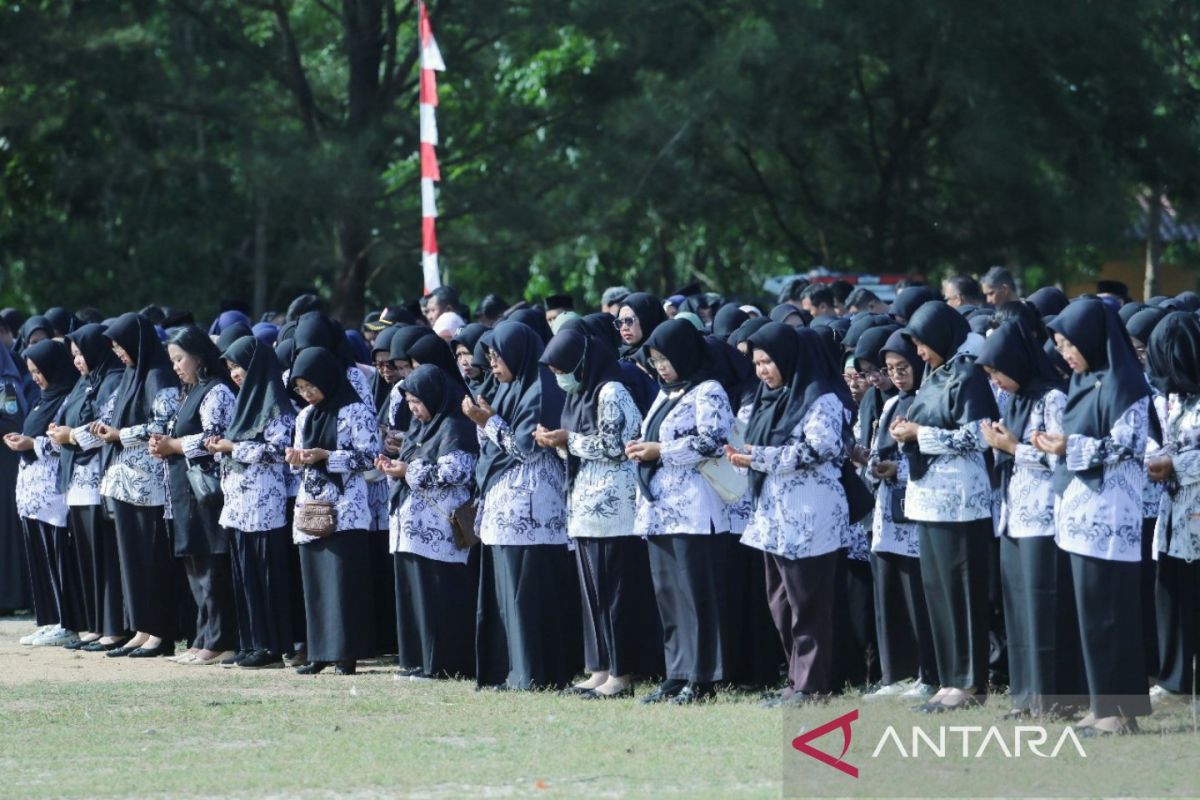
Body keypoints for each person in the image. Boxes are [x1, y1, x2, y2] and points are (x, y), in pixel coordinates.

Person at [1041, 298, 1153, 735]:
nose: (1065, 352)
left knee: (1111, 614)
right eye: (1059, 344)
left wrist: (1068, 447)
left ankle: (1116, 713)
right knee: (1091, 614)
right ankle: (1101, 704)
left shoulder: (1127, 384)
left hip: (1111, 516)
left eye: (1069, 343)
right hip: (1079, 514)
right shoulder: (1085, 381)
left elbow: (1127, 446)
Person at [729, 323, 852, 705]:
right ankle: (797, 680)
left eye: (768, 362)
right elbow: (745, 442)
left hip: (810, 514)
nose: (762, 370)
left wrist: (759, 457)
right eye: (757, 363)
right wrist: (740, 457)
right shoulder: (769, 400)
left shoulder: (821, 398)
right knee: (781, 604)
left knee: (808, 606)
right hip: (774, 517)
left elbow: (821, 448)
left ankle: (813, 685)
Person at [537, 329, 660, 699]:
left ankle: (621, 674)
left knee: (615, 593)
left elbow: (618, 445)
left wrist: (567, 440)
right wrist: (556, 442)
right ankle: (599, 668)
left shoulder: (611, 391)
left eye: (563, 368)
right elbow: (578, 445)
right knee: (593, 595)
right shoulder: (577, 395)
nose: (560, 376)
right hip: (585, 507)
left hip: (615, 507)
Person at [888, 301, 999, 712]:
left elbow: (978, 434)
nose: (918, 354)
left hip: (961, 501)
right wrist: (906, 432)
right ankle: (950, 679)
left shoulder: (968, 372)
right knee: (937, 590)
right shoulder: (938, 374)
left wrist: (921, 433)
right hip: (928, 499)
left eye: (921, 344)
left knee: (963, 592)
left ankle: (970, 684)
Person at [977, 320, 1083, 719]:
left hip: (1044, 519)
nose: (997, 382)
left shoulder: (1052, 398)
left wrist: (1012, 447)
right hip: (1012, 518)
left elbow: (1061, 457)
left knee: (1043, 610)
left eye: (997, 372)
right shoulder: (1016, 399)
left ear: (1017, 362)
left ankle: (1056, 699)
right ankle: (1027, 699)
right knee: (1018, 612)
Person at [463, 321, 577, 691]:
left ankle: (532, 672)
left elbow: (525, 448)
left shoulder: (539, 391)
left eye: (498, 357)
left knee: (525, 592)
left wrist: (489, 422)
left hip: (532, 507)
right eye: (490, 357)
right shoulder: (503, 390)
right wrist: (487, 421)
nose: (492, 364)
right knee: (503, 594)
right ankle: (510, 670)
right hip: (502, 504)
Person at [629, 319, 735, 704]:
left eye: (665, 359)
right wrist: (640, 446)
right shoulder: (665, 393)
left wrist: (661, 452)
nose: (660, 367)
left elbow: (712, 441)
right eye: (655, 360)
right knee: (668, 594)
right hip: (660, 509)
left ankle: (703, 678)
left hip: (693, 507)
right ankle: (677, 672)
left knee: (695, 595)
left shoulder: (707, 391)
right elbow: (654, 436)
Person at [377, 365, 478, 680]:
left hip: (441, 534)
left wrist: (407, 470)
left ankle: (444, 664)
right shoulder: (424, 428)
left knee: (439, 598)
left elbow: (456, 472)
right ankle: (418, 660)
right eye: (409, 404)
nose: (413, 409)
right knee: (416, 598)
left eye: (417, 403)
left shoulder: (455, 427)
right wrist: (395, 465)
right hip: (412, 533)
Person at [94, 312, 182, 658]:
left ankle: (159, 632)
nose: (118, 352)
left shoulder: (159, 376)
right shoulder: (131, 376)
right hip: (125, 484)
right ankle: (142, 628)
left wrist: (120, 435)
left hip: (151, 486)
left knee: (151, 559)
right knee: (131, 560)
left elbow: (164, 424)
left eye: (120, 345)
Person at [287, 347, 380, 675]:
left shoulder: (355, 411)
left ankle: (346, 654)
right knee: (315, 582)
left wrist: (328, 456)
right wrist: (297, 460)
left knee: (343, 583)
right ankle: (319, 652)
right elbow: (301, 461)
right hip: (311, 507)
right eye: (300, 388)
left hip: (345, 510)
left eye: (310, 385)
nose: (306, 393)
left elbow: (371, 457)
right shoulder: (304, 416)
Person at [206, 335, 297, 669]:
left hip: (265, 503)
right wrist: (220, 447)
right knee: (245, 575)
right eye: (230, 367)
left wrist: (232, 448)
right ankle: (250, 641)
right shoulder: (243, 403)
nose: (234, 374)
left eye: (238, 366)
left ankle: (271, 646)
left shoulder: (276, 404)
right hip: (238, 502)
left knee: (266, 575)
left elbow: (277, 453)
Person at [149, 326, 238, 666]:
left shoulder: (216, 392)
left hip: (206, 492)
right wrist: (162, 445)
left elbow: (216, 439)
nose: (175, 366)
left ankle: (221, 640)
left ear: (199, 356)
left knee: (211, 563)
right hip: (183, 491)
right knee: (194, 564)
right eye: (171, 360)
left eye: (180, 358)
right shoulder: (190, 392)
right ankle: (202, 637)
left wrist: (175, 445)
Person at [865, 329, 938, 699]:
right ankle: (894, 675)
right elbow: (881, 450)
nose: (896, 374)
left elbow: (933, 453)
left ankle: (927, 673)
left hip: (918, 507)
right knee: (889, 587)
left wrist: (900, 470)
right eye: (890, 368)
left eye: (903, 366)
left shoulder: (930, 400)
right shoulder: (893, 403)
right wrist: (874, 465)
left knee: (916, 593)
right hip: (888, 508)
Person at [48, 324, 127, 650]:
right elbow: (67, 418)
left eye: (81, 354)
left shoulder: (112, 379)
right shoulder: (85, 382)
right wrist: (57, 432)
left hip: (98, 477)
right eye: (74, 356)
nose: (78, 361)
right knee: (87, 557)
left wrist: (71, 435)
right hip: (76, 481)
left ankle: (113, 627)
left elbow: (103, 427)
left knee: (104, 556)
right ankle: (94, 624)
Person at [4, 340, 84, 646]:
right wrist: (24, 439)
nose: (35, 378)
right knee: (40, 559)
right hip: (33, 495)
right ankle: (49, 618)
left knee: (58, 558)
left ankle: (67, 621)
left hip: (54, 495)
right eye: (32, 372)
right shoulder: (43, 398)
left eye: (39, 371)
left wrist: (32, 444)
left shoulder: (66, 399)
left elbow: (63, 439)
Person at [1144, 313, 1200, 704]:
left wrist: (1174, 465)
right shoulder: (1173, 399)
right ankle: (1174, 678)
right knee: (1171, 591)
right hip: (1174, 512)